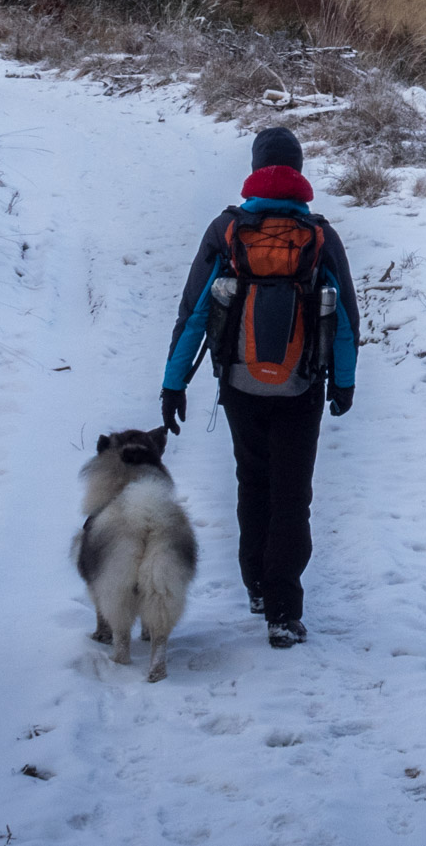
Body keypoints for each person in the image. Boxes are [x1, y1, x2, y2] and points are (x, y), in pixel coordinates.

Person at [160, 127, 360, 649]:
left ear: (256, 166)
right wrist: (343, 381)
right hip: (301, 386)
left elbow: (195, 312)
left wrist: (173, 383)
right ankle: (283, 611)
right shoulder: (318, 234)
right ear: (298, 170)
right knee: (293, 494)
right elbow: (344, 321)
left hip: (240, 384)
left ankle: (255, 585)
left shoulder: (228, 229)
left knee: (253, 481)